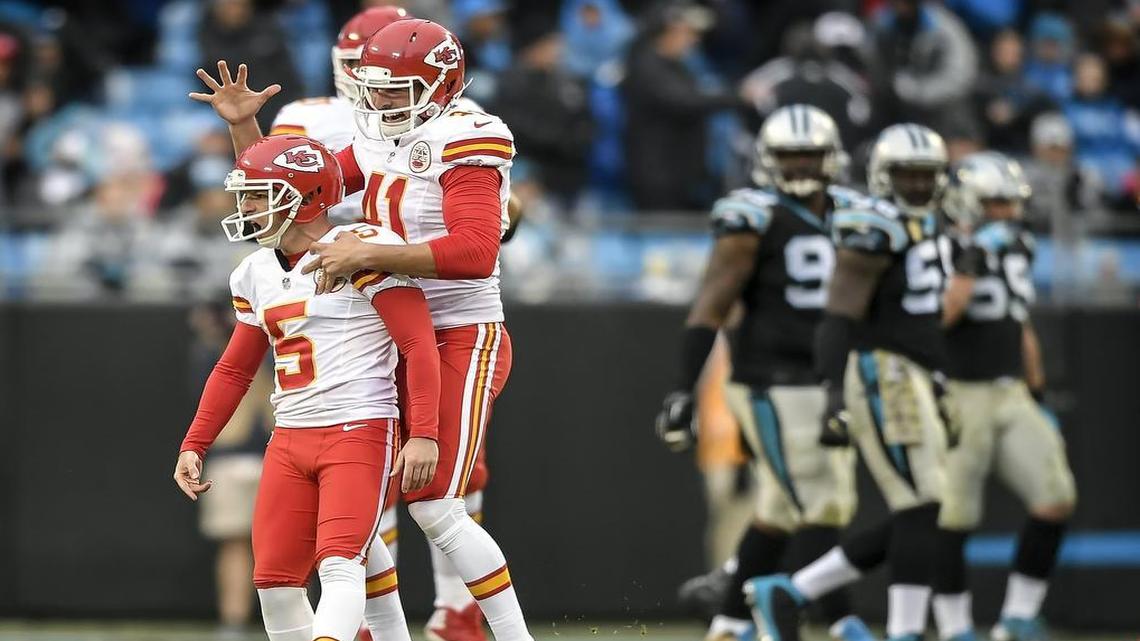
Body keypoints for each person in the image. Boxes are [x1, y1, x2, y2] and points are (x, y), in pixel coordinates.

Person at [190, 20, 534, 641]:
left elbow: (479, 251)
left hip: (459, 330)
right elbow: (302, 187)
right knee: (363, 519)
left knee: (432, 505)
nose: (378, 103)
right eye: (372, 89)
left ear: (442, 83)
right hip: (388, 332)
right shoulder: (378, 138)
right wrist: (244, 129)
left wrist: (370, 257)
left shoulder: (469, 135)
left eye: (396, 90)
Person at [173, 134, 442, 641]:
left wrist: (423, 430)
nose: (246, 206)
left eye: (258, 193)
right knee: (274, 584)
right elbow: (234, 369)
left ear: (303, 196)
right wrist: (195, 441)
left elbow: (417, 345)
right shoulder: (254, 271)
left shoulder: (362, 246)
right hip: (290, 434)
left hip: (358, 426)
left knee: (341, 565)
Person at [656, 104, 868, 641]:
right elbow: (712, 304)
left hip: (829, 381)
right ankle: (839, 622)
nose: (800, 166)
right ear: (768, 161)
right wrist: (683, 387)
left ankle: (727, 623)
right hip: (770, 378)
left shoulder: (856, 214)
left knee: (778, 510)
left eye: (810, 156)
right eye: (789, 156)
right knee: (822, 506)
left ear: (831, 159)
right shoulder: (752, 217)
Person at [747, 123, 952, 641]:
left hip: (916, 373)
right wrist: (833, 393)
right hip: (885, 371)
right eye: (907, 175)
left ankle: (791, 592)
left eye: (926, 176)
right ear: (884, 177)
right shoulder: (873, 226)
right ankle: (901, 629)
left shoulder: (935, 224)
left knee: (923, 505)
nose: (919, 187)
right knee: (921, 501)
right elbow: (838, 317)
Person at [933, 151, 1077, 641]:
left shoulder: (1019, 247)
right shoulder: (940, 246)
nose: (1009, 215)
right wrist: (971, 260)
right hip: (958, 390)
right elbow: (937, 322)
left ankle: (1017, 617)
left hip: (1009, 389)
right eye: (996, 204)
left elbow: (1020, 322)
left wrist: (1036, 392)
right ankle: (954, 628)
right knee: (952, 517)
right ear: (967, 203)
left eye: (1012, 204)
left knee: (1055, 497)